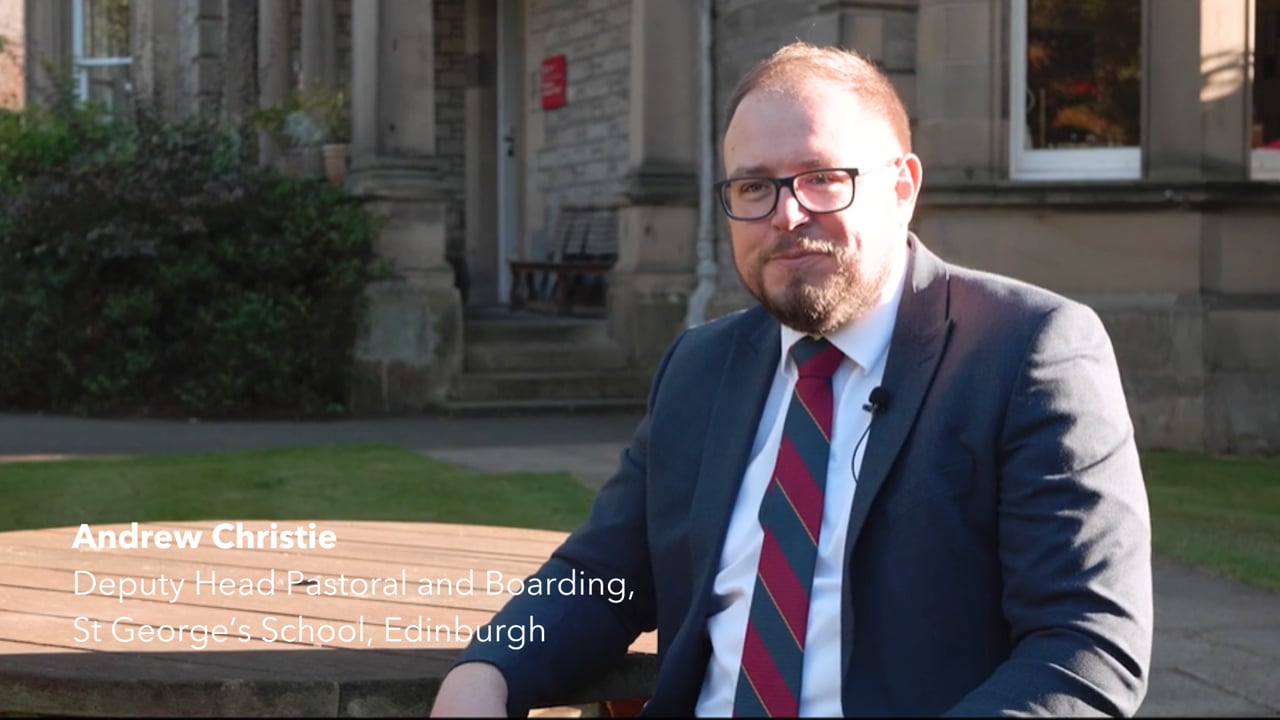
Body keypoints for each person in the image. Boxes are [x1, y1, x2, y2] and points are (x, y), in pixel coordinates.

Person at [431, 42, 1153, 717]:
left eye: (822, 179)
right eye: (754, 187)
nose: (787, 214)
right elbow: (601, 576)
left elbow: (1085, 647)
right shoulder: (699, 368)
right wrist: (484, 672)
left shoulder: (1027, 350)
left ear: (902, 186)